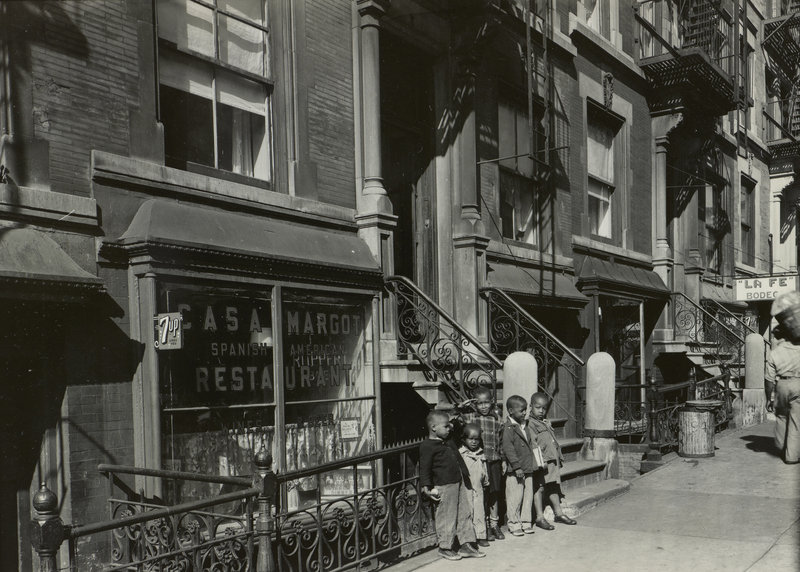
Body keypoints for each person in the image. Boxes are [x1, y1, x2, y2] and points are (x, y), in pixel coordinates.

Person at [419, 410, 485, 560]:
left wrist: (456, 412)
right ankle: (445, 546)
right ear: (434, 427)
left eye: (449, 425)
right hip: (444, 485)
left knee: (464, 513)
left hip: (459, 481)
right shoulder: (427, 446)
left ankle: (466, 544)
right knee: (447, 516)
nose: (449, 428)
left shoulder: (449, 439)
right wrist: (426, 486)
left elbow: (458, 424)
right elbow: (424, 467)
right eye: (446, 426)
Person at [459, 386, 506, 541]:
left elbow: (501, 441)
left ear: (492, 402)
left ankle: (494, 524)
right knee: (481, 494)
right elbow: (455, 419)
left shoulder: (497, 418)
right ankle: (483, 525)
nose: (483, 406)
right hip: (479, 461)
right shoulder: (471, 417)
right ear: (475, 404)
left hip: (494, 461)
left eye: (486, 403)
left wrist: (503, 460)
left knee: (494, 493)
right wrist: (461, 407)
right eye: (480, 403)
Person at [528, 392, 577, 529]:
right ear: (530, 406)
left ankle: (558, 513)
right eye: (538, 407)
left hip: (552, 461)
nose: (541, 411)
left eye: (544, 408)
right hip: (542, 463)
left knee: (553, 485)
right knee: (540, 487)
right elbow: (533, 445)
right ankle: (539, 517)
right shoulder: (531, 424)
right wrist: (540, 462)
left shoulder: (543, 422)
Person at [765, 291, 800, 464]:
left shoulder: (775, 353)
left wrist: (768, 398)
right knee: (795, 421)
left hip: (781, 385)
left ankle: (780, 445)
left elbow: (769, 379)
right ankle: (791, 456)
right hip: (799, 384)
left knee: (781, 416)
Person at [500, 395, 540, 537]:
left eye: (525, 410)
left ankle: (526, 521)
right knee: (514, 498)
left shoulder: (525, 425)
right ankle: (514, 523)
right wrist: (516, 467)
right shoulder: (509, 428)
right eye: (521, 410)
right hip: (516, 470)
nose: (524, 413)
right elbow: (508, 448)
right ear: (511, 411)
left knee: (527, 496)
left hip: (528, 468)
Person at [459, 423, 491, 547]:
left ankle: (481, 535)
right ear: (464, 439)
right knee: (468, 512)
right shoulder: (461, 454)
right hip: (466, 488)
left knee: (480, 512)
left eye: (476, 439)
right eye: (471, 439)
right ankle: (469, 538)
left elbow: (484, 469)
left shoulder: (481, 453)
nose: (474, 442)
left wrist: (486, 481)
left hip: (478, 488)